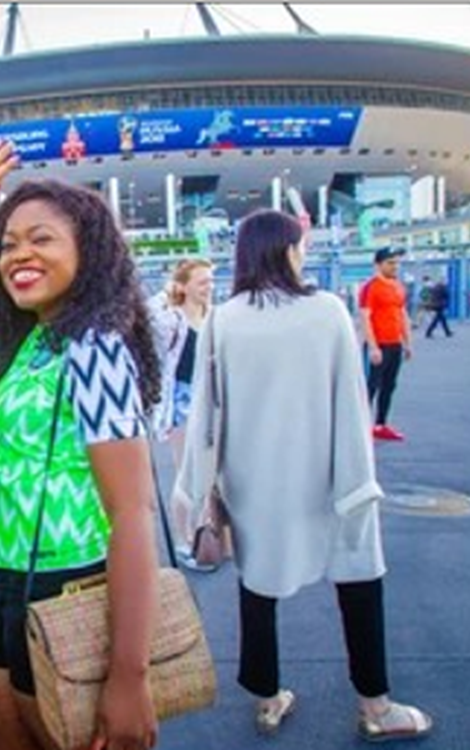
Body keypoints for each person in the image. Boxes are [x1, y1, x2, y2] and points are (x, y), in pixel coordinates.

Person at [0, 140, 163, 750]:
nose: (19, 254)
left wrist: (128, 677)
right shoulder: (25, 339)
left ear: (89, 252)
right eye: (7, 243)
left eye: (42, 238)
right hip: (6, 583)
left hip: (72, 587)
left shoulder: (96, 347)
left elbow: (132, 512)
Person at [176, 209, 432, 743]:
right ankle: (376, 705)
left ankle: (267, 699)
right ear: (286, 251)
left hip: (253, 482)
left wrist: (194, 492)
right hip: (330, 475)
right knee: (360, 581)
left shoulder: (224, 319)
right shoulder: (327, 311)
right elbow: (350, 400)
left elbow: (205, 417)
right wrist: (359, 480)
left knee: (258, 589)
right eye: (300, 246)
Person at [148, 258, 215, 571]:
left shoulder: (213, 317)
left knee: (211, 472)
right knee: (186, 472)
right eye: (202, 282)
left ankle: (206, 534)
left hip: (210, 401)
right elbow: (144, 318)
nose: (208, 287)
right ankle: (184, 539)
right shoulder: (172, 319)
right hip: (180, 402)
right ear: (184, 285)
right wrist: (167, 293)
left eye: (210, 281)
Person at [358, 247, 412, 442]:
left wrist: (407, 343)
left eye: (396, 262)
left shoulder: (397, 286)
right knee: (371, 386)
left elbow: (402, 314)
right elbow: (365, 317)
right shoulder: (370, 287)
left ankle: (380, 424)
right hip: (378, 344)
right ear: (378, 265)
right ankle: (359, 427)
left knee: (389, 385)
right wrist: (373, 346)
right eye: (390, 263)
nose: (394, 266)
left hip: (394, 343)